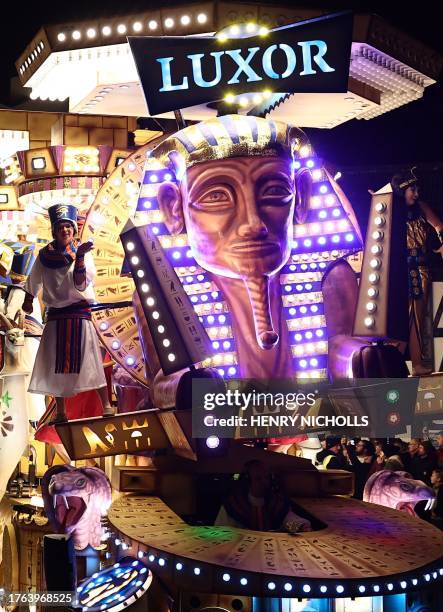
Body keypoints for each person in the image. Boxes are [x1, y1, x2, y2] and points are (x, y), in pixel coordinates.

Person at [21, 204, 115, 423]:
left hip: (79, 317)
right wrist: (28, 299)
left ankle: (107, 405)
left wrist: (80, 257)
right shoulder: (44, 256)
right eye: (61, 226)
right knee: (55, 365)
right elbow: (33, 281)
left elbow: (81, 284)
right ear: (54, 231)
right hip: (55, 318)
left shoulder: (82, 253)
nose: (65, 230)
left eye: (68, 226)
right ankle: (61, 411)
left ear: (74, 230)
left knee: (91, 361)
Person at [391, 169, 443, 376]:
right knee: (398, 316)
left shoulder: (421, 207)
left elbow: (439, 225)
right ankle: (398, 363)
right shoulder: (393, 209)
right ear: (402, 190)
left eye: (417, 189)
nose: (416, 193)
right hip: (398, 270)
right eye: (412, 189)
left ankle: (416, 362)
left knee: (417, 317)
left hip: (420, 268)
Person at [215, 460, 311, 533]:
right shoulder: (233, 505)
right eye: (258, 478)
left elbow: (289, 519)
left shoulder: (277, 502)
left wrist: (301, 526)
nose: (264, 482)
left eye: (266, 477)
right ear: (247, 481)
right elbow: (221, 532)